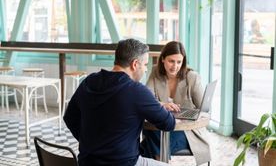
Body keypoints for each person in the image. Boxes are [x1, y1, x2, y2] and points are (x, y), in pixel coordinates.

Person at [63, 38, 175, 166]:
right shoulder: (137, 91)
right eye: (145, 64)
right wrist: (158, 105)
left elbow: (69, 117)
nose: (145, 70)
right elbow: (169, 123)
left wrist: (91, 144)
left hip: (87, 162)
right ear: (135, 64)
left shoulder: (89, 81)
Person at [141, 41, 211, 165]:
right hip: (161, 126)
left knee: (146, 144)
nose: (175, 66)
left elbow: (204, 109)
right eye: (171, 61)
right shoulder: (155, 72)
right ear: (163, 59)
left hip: (186, 131)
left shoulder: (192, 77)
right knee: (151, 133)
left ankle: (159, 161)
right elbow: (147, 99)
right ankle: (161, 161)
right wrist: (162, 104)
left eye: (179, 62)